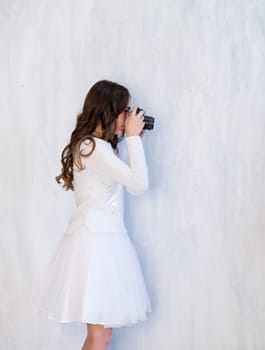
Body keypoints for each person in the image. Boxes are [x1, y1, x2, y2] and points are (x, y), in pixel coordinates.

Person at [41, 80, 151, 350]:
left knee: (102, 336)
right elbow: (140, 184)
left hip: (101, 243)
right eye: (125, 110)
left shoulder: (94, 146)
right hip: (97, 246)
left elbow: (131, 184)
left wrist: (132, 140)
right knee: (100, 337)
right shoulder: (94, 148)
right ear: (109, 110)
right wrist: (134, 141)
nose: (129, 117)